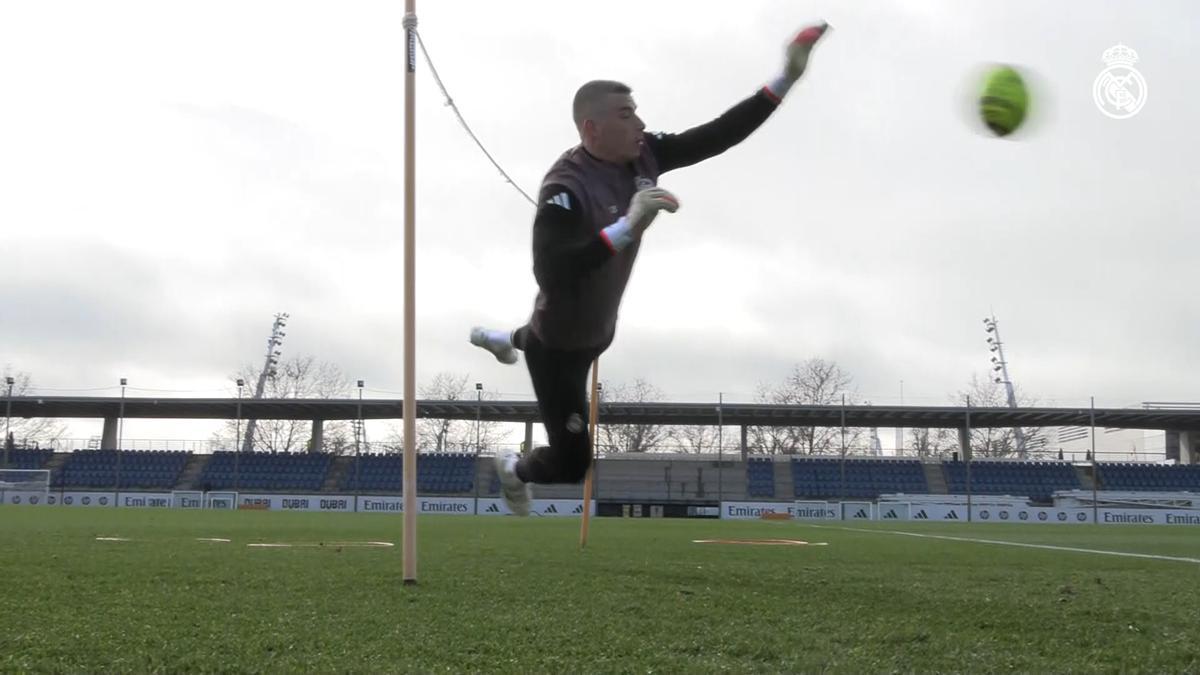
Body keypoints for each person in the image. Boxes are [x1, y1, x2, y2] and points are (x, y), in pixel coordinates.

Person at [471, 23, 830, 515]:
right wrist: (628, 225)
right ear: (591, 129)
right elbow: (551, 270)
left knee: (544, 328)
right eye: (627, 114)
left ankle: (503, 339)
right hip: (559, 349)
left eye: (638, 111)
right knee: (574, 465)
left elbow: (716, 136)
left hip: (596, 329)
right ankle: (514, 468)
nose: (640, 123)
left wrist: (785, 78)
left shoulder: (643, 153)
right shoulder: (565, 185)